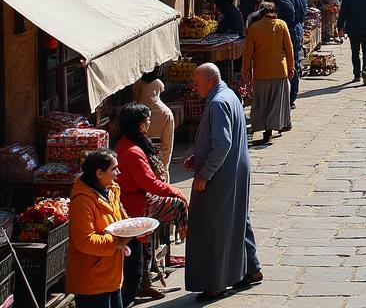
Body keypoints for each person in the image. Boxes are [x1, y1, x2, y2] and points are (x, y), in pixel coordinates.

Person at [184, 64, 261, 298]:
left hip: (222, 173)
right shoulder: (229, 96)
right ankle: (251, 268)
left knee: (215, 224)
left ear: (208, 81)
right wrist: (199, 156)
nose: (195, 88)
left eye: (197, 83)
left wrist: (205, 172)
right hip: (236, 167)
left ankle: (216, 282)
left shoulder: (217, 103)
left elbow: (223, 143)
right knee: (238, 217)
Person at [116, 102, 188, 302]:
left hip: (136, 199)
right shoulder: (133, 152)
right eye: (147, 120)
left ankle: (145, 280)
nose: (149, 123)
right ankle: (183, 235)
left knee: (139, 250)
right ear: (140, 125)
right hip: (135, 204)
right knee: (180, 205)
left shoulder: (127, 144)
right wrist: (176, 192)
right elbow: (150, 183)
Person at [66, 149, 132, 308]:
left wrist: (136, 229)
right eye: (114, 169)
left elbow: (121, 218)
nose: (119, 172)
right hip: (92, 283)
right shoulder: (82, 202)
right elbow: (85, 241)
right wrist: (117, 242)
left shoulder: (112, 190)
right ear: (99, 173)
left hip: (112, 277)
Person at [243, 3, 295, 143]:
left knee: (263, 102)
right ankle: (274, 128)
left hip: (261, 71)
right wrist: (291, 67)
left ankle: (267, 130)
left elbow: (248, 52)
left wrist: (245, 70)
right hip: (279, 69)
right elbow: (289, 49)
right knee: (277, 102)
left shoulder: (254, 28)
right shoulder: (281, 25)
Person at [272, 0, 307, 108]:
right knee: (295, 62)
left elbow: (287, 13)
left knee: (288, 63)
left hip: (290, 31)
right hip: (298, 29)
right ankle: (292, 96)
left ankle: (289, 97)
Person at [132, 68, 175, 175]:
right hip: (156, 163)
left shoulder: (133, 111)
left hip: (137, 164)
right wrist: (163, 169)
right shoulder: (165, 113)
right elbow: (167, 147)